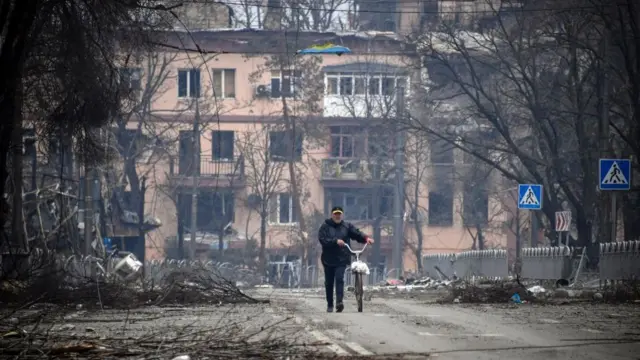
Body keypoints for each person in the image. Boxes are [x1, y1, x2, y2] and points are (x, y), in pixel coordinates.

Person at [318, 206, 374, 313]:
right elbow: (323, 239)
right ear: (332, 215)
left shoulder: (346, 226)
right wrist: (335, 241)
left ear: (342, 215)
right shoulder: (325, 227)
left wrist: (366, 238)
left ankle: (339, 302)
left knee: (339, 279)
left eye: (339, 214)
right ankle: (330, 304)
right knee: (329, 282)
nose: (337, 216)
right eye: (335, 214)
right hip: (328, 259)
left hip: (342, 258)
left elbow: (356, 233)